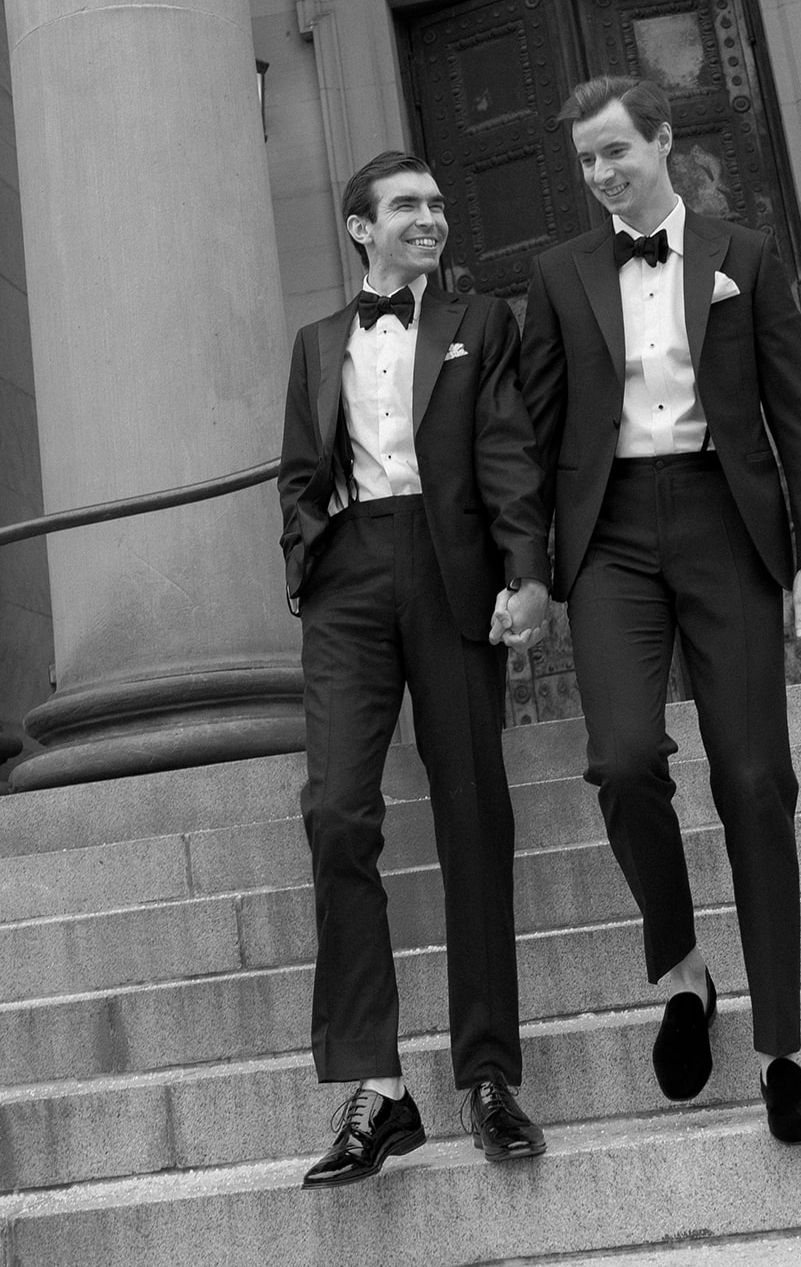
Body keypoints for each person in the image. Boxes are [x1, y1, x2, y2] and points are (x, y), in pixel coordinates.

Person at [519, 76, 801, 1143]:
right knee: (619, 759)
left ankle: (780, 1051)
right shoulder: (559, 275)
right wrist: (526, 563)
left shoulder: (744, 257)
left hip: (724, 523)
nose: (603, 173)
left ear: (660, 140)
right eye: (586, 162)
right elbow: (534, 431)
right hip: (609, 537)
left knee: (753, 777)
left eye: (616, 151)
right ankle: (682, 966)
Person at [278, 150, 551, 1186]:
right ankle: (376, 1087)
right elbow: (297, 469)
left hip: (452, 573)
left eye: (437, 204)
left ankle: (485, 1070)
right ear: (360, 227)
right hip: (350, 581)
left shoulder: (480, 326)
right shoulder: (313, 344)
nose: (430, 218)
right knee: (337, 809)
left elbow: (509, 454)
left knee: (472, 802)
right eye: (407, 206)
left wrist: (525, 571)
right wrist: (310, 556)